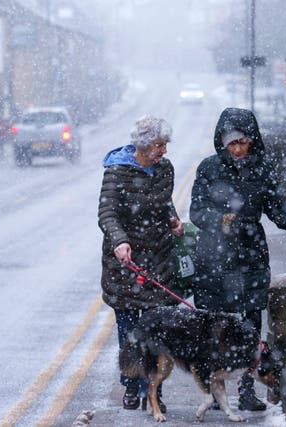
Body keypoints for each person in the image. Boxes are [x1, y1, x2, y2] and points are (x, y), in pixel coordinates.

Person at [189, 107, 286, 411]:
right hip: (215, 256)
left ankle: (246, 391)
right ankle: (215, 390)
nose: (238, 149)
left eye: (243, 142)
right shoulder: (208, 169)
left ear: (252, 140)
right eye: (232, 143)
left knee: (250, 326)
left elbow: (275, 205)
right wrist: (221, 221)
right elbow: (197, 212)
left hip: (250, 254)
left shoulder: (262, 168)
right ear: (222, 143)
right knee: (215, 327)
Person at [98, 115, 184, 411]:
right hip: (127, 264)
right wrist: (121, 241)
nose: (164, 151)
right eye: (160, 145)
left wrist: (172, 218)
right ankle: (131, 384)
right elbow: (107, 214)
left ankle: (154, 388)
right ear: (144, 144)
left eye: (165, 145)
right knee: (130, 333)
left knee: (158, 332)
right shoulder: (117, 171)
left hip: (159, 259)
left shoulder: (164, 169)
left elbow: (165, 201)